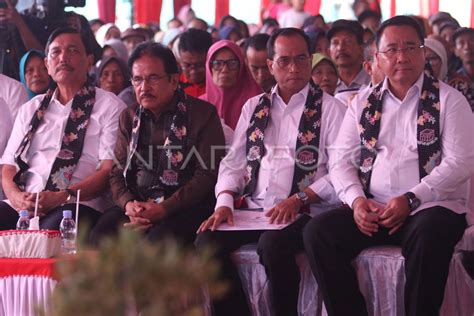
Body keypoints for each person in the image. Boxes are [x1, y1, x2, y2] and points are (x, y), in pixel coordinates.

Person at [303, 16, 474, 316]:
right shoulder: (362, 103)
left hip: (428, 208)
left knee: (431, 231)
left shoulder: (450, 100)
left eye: (410, 47)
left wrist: (411, 198)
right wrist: (356, 202)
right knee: (318, 232)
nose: (401, 57)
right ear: (377, 57)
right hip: (373, 208)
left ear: (423, 52)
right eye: (392, 49)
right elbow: (341, 162)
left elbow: (461, 162)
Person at [195, 28, 345, 316]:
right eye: (285, 60)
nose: (294, 68)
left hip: (306, 210)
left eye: (302, 59)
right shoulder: (255, 107)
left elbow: (341, 171)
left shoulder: (331, 109)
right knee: (206, 241)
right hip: (256, 210)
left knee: (272, 244)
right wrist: (224, 201)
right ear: (270, 66)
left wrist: (299, 199)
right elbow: (233, 162)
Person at [89, 42, 225, 245]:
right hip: (138, 204)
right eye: (137, 80)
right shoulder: (129, 116)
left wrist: (164, 208)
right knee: (100, 233)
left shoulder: (202, 114)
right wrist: (129, 206)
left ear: (173, 80)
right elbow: (116, 172)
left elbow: (206, 174)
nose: (144, 88)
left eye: (153, 78)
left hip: (184, 207)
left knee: (155, 242)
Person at [0, 27, 126, 231]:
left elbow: (107, 170)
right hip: (25, 203)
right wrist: (15, 197)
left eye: (73, 50)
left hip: (77, 203)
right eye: (56, 52)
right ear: (47, 64)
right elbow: (8, 166)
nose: (63, 58)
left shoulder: (110, 106)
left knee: (48, 233)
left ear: (89, 60)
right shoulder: (31, 108)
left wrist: (63, 195)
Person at [201, 40, 262, 130]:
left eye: (232, 63)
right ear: (209, 67)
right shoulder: (200, 105)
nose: (225, 70)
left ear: (241, 67)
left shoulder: (256, 102)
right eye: (217, 63)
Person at [328, 19, 370, 94]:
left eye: (347, 41)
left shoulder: (373, 80)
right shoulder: (326, 83)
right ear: (329, 51)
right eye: (335, 42)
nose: (340, 48)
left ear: (361, 48)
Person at [178, 28, 212, 98]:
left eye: (199, 65)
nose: (193, 72)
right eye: (187, 65)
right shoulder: (172, 86)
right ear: (180, 59)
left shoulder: (219, 85)